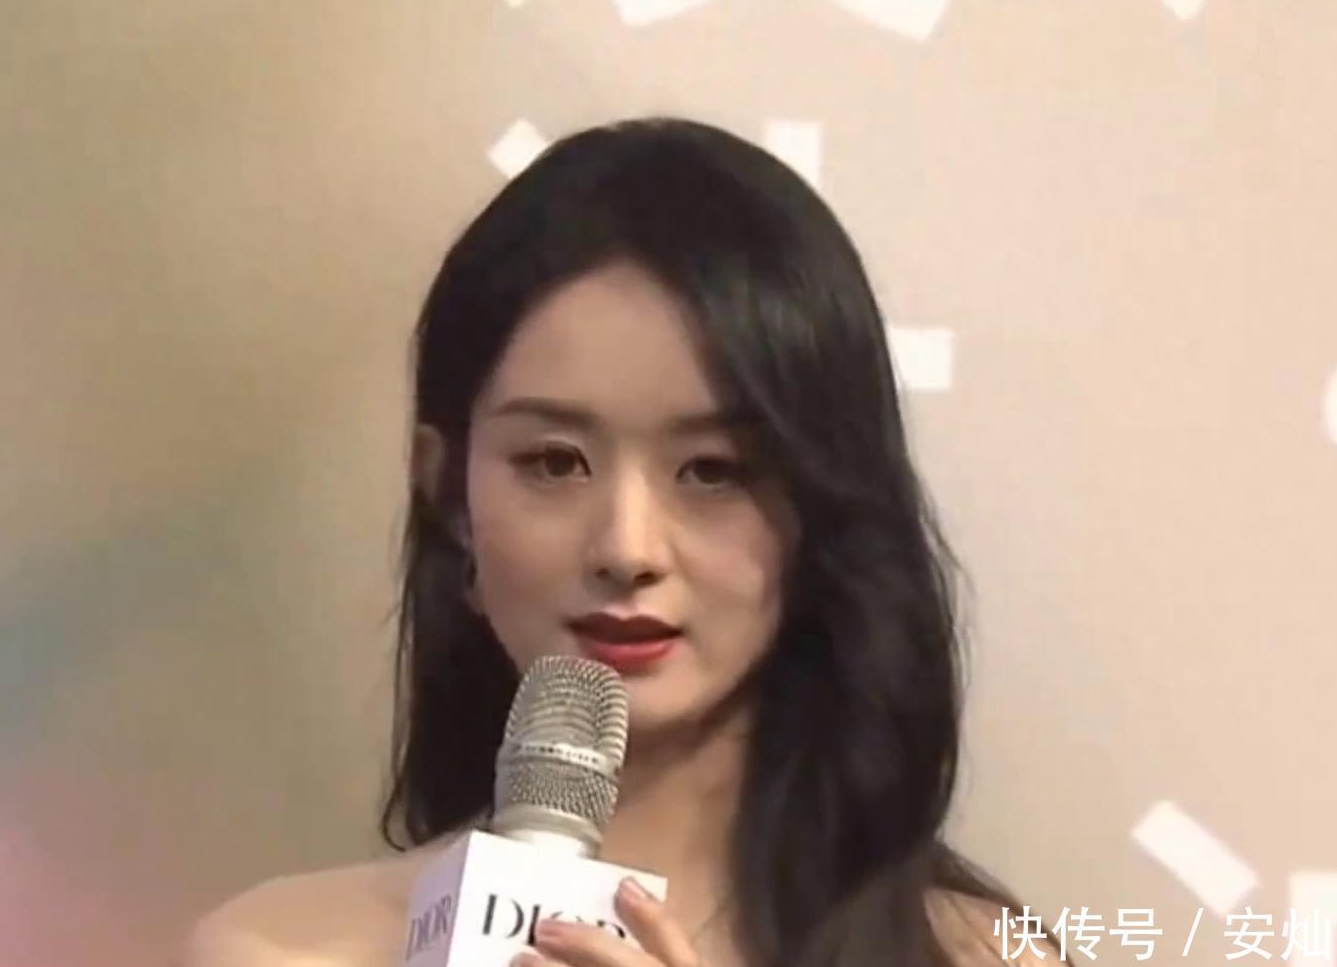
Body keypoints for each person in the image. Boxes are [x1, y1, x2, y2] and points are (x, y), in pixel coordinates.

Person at [186, 116, 1051, 967]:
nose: (627, 549)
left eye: (713, 471)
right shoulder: (277, 951)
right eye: (554, 462)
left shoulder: (981, 957)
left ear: (822, 502)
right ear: (448, 492)